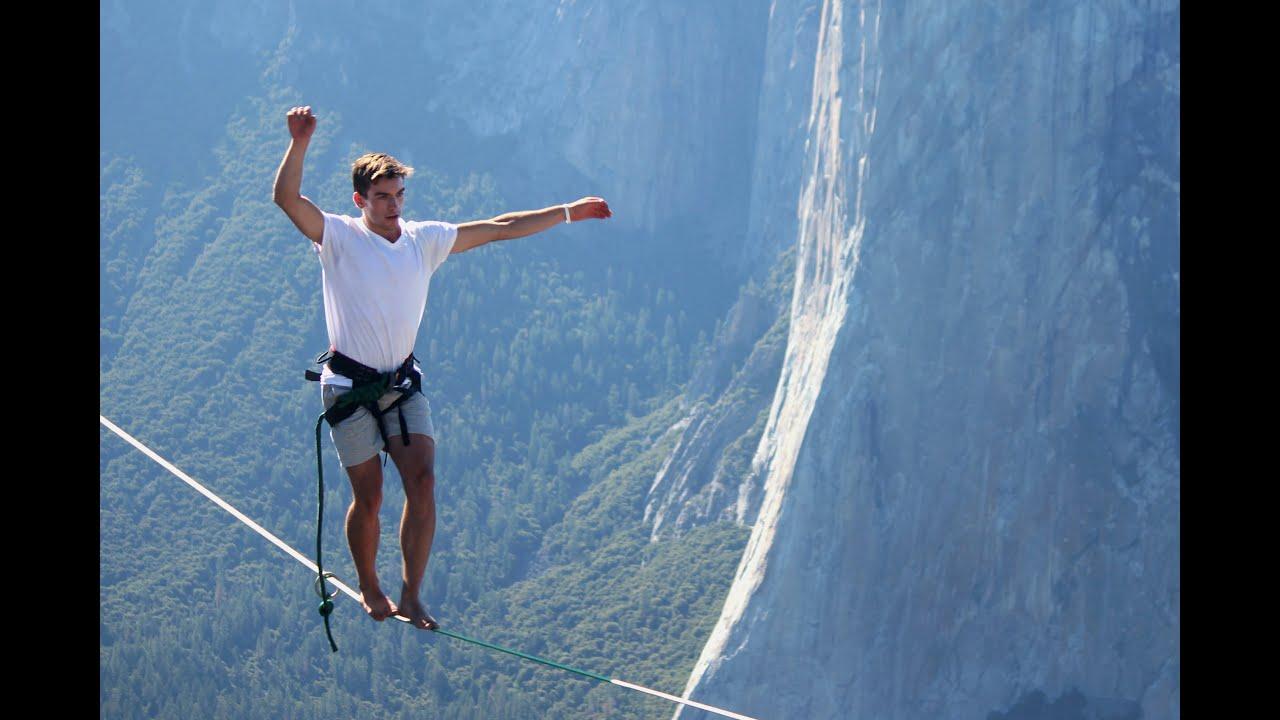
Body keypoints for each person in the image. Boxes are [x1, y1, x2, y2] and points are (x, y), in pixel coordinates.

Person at [272, 105, 612, 630]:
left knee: (424, 483)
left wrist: (569, 211)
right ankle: (369, 585)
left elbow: (499, 227)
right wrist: (300, 142)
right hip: (348, 386)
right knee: (371, 495)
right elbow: (287, 200)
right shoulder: (338, 237)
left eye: (399, 195)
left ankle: (411, 594)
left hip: (401, 384)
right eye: (382, 197)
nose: (392, 206)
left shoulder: (422, 241)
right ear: (360, 200)